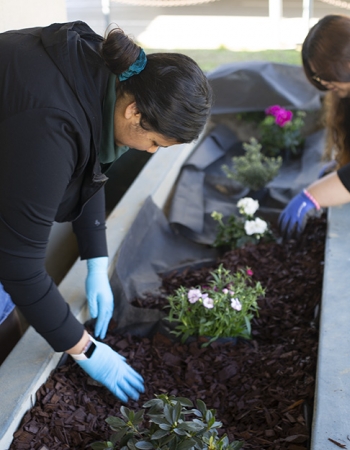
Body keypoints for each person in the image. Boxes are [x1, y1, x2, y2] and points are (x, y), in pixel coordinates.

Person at [0, 21, 213, 401]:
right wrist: (86, 349)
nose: (150, 151)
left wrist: (96, 259)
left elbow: (90, 165)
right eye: (154, 142)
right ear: (134, 112)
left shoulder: (106, 73)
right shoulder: (52, 125)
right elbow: (19, 267)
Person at [279, 14, 350, 239]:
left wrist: (312, 196)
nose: (323, 82)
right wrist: (340, 168)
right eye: (317, 76)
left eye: (325, 74)